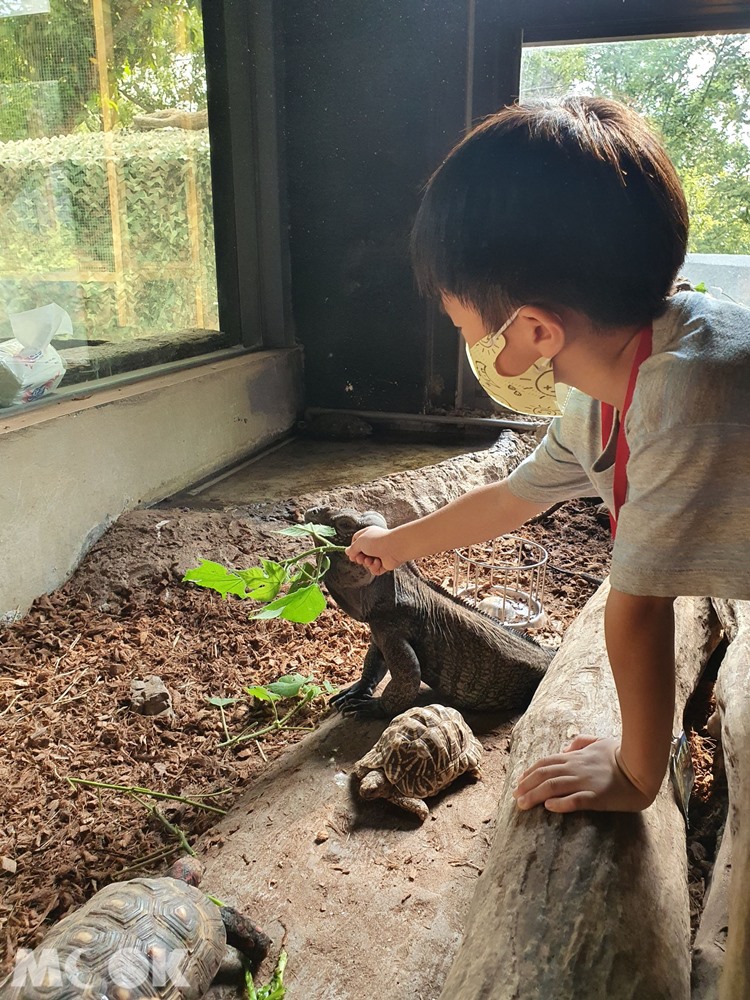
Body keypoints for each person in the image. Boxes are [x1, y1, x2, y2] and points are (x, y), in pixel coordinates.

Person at [345, 96, 750, 814]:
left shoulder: (683, 398)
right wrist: (394, 544)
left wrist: (633, 773)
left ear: (534, 330)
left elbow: (640, 611)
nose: (470, 348)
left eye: (466, 326)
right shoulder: (606, 395)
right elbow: (511, 498)